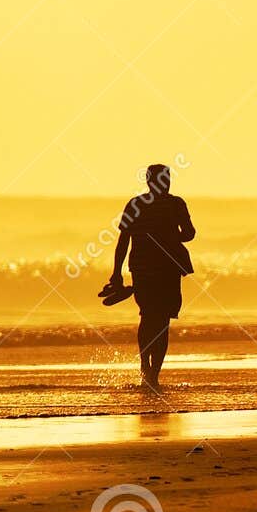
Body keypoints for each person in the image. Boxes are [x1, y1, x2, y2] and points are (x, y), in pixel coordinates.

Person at [106, 164, 196, 389]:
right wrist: (172, 236)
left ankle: (147, 367)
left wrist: (117, 273)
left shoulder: (135, 204)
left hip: (142, 268)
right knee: (161, 321)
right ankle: (153, 373)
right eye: (164, 179)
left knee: (148, 317)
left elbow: (123, 241)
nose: (166, 183)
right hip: (167, 269)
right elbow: (190, 233)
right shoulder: (176, 204)